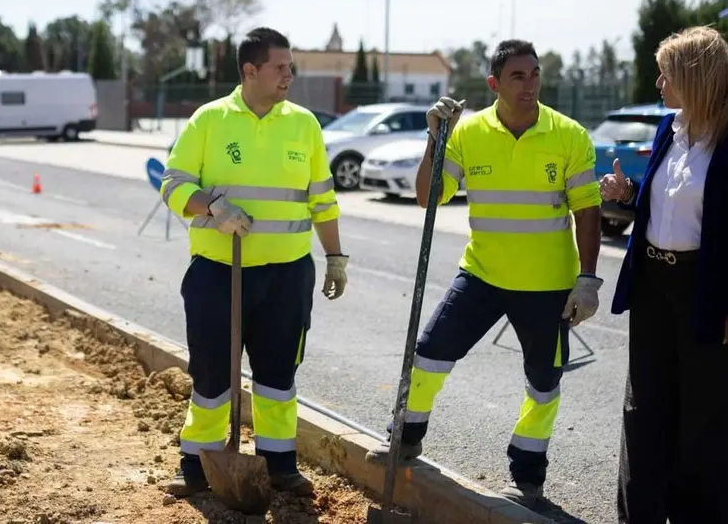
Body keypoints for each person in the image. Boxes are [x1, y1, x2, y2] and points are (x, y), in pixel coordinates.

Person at [365, 39, 604, 509]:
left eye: (534, 74)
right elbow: (428, 196)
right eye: (517, 76)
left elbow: (588, 210)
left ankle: (528, 477)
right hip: (482, 275)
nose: (529, 85)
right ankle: (406, 435)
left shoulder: (569, 134)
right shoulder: (469, 134)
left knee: (544, 381)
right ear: (494, 84)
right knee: (430, 353)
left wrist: (588, 278)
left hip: (548, 285)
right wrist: (435, 137)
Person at [159, 27, 350, 498]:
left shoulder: (304, 124)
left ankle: (279, 464)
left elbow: (321, 199)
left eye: (291, 66)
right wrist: (212, 208)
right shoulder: (210, 120)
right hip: (217, 274)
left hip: (287, 276)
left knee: (279, 374)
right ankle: (198, 465)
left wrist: (335, 257)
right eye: (281, 67)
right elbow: (172, 184)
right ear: (251, 70)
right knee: (211, 373)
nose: (290, 75)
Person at [601, 26, 728, 523]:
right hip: (654, 285)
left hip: (710, 291)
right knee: (644, 413)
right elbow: (674, 206)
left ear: (695, 77)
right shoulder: (669, 129)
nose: (658, 84)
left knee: (706, 421)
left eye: (666, 75)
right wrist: (630, 193)